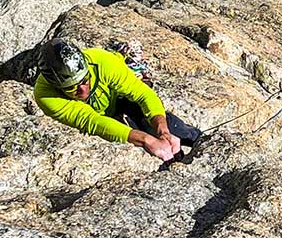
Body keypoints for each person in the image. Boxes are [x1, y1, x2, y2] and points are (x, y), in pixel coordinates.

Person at [34, 38, 201, 161]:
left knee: (165, 125)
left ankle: (196, 138)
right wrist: (146, 140)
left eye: (85, 80)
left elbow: (143, 94)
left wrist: (163, 131)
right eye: (72, 87)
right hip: (99, 117)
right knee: (145, 142)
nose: (83, 90)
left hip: (118, 97)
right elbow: (93, 122)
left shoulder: (102, 61)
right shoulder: (46, 96)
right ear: (56, 86)